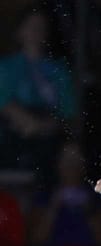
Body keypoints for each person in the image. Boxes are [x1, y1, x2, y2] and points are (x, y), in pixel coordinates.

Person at [0, 5, 75, 178]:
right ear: (19, 31)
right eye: (31, 26)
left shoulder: (59, 70)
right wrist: (25, 120)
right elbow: (2, 99)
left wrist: (42, 126)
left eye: (40, 27)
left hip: (48, 133)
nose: (36, 31)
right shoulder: (6, 66)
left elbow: (68, 111)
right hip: (13, 129)